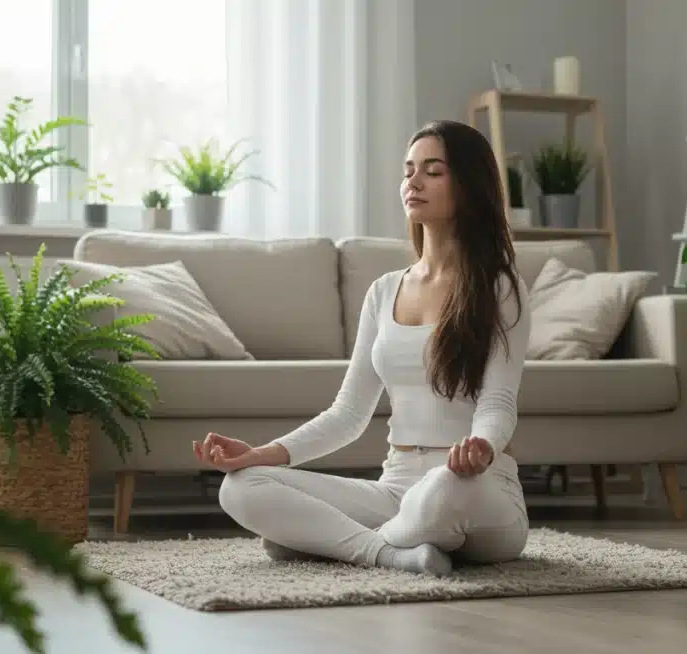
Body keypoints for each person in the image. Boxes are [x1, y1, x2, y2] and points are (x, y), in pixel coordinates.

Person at [191, 119, 531, 577]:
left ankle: (330, 540)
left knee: (439, 493)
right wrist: (260, 454)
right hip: (394, 491)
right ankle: (393, 553)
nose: (413, 181)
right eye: (409, 169)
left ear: (469, 186)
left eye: (433, 171)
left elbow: (499, 402)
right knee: (240, 487)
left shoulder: (500, 287)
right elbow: (348, 414)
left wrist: (482, 447)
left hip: (474, 488)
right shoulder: (384, 291)